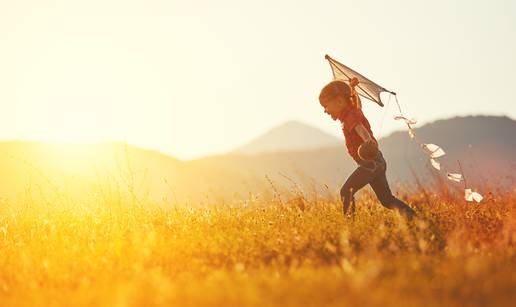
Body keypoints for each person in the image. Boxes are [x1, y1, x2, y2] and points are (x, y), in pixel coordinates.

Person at [318, 79, 415, 220]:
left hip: (371, 164)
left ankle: (350, 226)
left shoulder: (350, 117)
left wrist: (367, 140)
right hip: (377, 162)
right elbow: (357, 104)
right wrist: (352, 89)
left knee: (346, 191)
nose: (325, 111)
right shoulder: (354, 111)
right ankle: (415, 219)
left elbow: (360, 128)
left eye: (326, 106)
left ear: (339, 102)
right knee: (387, 200)